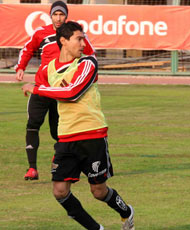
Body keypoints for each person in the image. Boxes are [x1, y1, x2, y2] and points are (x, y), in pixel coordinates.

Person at [21, 21, 134, 230]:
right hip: (66, 137)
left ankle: (126, 212)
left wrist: (38, 89)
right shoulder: (48, 69)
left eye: (84, 38)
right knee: (59, 191)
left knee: (99, 191)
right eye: (79, 38)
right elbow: (41, 95)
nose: (84, 43)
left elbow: (72, 92)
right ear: (63, 41)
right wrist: (33, 121)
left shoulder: (88, 63)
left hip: (92, 135)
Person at [16, 0, 94, 180]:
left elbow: (90, 53)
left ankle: (59, 162)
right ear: (50, 15)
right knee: (33, 124)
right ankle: (32, 168)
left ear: (67, 16)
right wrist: (21, 67)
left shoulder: (74, 34)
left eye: (62, 14)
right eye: (55, 14)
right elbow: (28, 49)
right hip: (41, 86)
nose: (58, 18)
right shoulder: (41, 33)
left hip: (60, 90)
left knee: (58, 131)